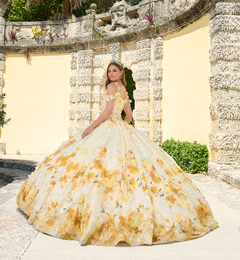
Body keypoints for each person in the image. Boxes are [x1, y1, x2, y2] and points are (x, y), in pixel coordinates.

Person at [16, 58, 219, 246]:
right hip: (121, 127)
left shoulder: (113, 87)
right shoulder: (123, 88)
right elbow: (128, 115)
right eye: (109, 71)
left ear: (121, 72)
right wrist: (124, 129)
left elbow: (107, 112)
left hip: (109, 126)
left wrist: (92, 127)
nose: (111, 74)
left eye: (114, 71)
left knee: (89, 168)